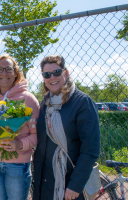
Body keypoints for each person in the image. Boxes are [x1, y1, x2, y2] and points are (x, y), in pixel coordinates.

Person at [32, 55, 100, 200]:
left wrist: (76, 185)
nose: (52, 77)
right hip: (44, 181)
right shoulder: (45, 104)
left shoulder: (82, 103)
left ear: (66, 73)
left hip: (70, 183)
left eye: (56, 72)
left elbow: (90, 149)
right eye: (46, 74)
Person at [0, 54, 40, 200]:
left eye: (8, 69)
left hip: (17, 164)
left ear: (15, 72)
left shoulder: (28, 99)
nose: (4, 73)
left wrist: (19, 144)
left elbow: (37, 135)